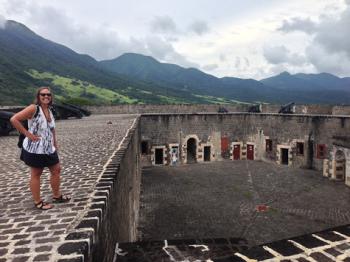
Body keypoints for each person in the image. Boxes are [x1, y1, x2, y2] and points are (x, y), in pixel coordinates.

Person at [10, 87, 70, 210]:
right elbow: (14, 119)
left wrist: (55, 143)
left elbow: (52, 129)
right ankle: (38, 202)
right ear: (38, 96)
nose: (46, 96)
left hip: (48, 147)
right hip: (35, 148)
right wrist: (28, 134)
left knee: (56, 169)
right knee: (36, 173)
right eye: (43, 94)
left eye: (48, 94)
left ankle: (57, 196)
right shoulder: (34, 108)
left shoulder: (50, 109)